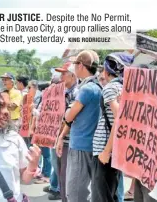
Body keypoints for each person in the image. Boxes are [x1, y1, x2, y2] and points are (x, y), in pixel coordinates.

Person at [56, 50, 102, 202]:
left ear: (81, 65)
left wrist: (68, 110)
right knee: (85, 191)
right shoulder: (97, 86)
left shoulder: (87, 89)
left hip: (81, 145)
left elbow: (69, 116)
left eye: (75, 64)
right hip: (90, 145)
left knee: (75, 192)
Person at [92, 52, 134, 202]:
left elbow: (119, 119)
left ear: (106, 70)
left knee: (102, 196)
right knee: (112, 193)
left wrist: (106, 151)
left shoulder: (110, 88)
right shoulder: (127, 88)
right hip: (115, 149)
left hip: (106, 149)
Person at [54, 62, 79, 202]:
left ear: (72, 75)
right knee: (62, 175)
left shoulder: (76, 93)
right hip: (60, 139)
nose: (61, 76)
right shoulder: (62, 92)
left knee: (67, 176)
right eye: (60, 73)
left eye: (64, 73)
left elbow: (69, 117)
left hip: (68, 140)